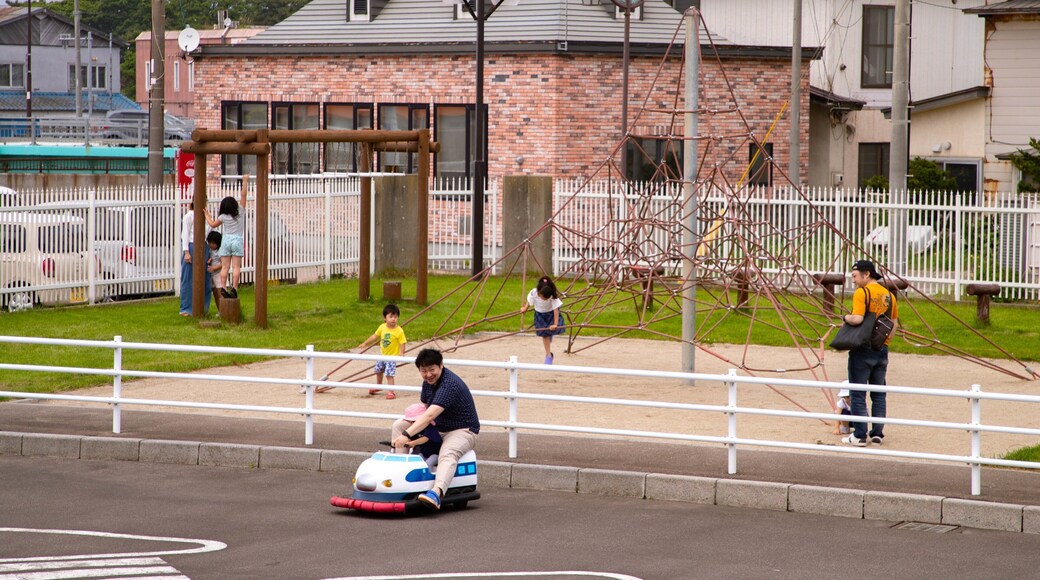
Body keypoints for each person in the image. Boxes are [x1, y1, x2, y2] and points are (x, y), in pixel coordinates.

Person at [391, 348, 480, 510]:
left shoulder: (449, 384)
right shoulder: (427, 384)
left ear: (441, 366)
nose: (428, 375)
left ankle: (437, 493)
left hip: (463, 429)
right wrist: (408, 430)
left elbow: (430, 415)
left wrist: (407, 435)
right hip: (437, 427)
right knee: (399, 424)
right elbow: (424, 410)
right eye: (423, 371)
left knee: (448, 453)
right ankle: (401, 472)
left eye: (432, 370)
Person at [841, 260, 898, 447]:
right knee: (879, 393)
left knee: (857, 392)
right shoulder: (889, 296)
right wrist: (885, 341)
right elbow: (894, 324)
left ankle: (859, 435)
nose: (854, 281)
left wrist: (844, 317)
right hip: (881, 349)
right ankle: (877, 434)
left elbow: (857, 319)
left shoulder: (862, 293)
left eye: (855, 276)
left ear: (866, 274)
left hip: (862, 348)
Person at [355, 303, 407, 400]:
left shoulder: (399, 330)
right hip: (382, 355)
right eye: (391, 317)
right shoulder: (382, 327)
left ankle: (391, 391)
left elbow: (402, 342)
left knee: (389, 374)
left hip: (392, 357)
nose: (393, 319)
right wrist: (365, 343)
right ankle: (379, 386)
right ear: (385, 318)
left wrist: (402, 353)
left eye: (396, 317)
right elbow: (375, 336)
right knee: (378, 370)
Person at [204, 196, 245, 299]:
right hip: (237, 240)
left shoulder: (222, 216)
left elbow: (213, 224)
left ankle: (223, 288)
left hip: (225, 241)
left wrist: (207, 215)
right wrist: (245, 181)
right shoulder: (240, 212)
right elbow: (244, 195)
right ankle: (234, 288)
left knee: (225, 267)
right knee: (236, 267)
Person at [520, 276, 566, 364]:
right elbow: (530, 301)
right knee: (545, 335)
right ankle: (549, 355)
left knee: (553, 330)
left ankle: (550, 335)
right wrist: (525, 308)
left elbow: (556, 311)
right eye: (543, 298)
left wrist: (555, 324)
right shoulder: (534, 292)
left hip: (551, 315)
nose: (544, 300)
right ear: (539, 292)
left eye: (546, 298)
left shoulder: (553, 296)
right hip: (540, 315)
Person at [179, 201, 212, 316]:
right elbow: (185, 234)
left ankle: (203, 308)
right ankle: (186, 308)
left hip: (204, 246)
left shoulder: (206, 216)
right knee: (188, 278)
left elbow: (209, 233)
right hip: (192, 245)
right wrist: (186, 251)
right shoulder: (189, 216)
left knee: (206, 277)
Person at [398, 403, 442, 468]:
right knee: (416, 461)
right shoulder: (417, 430)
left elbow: (425, 438)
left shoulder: (431, 427)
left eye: (413, 421)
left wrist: (413, 443)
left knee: (428, 464)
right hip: (423, 453)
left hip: (436, 454)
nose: (411, 423)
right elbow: (411, 438)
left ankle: (427, 477)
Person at [206, 231, 224, 310]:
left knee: (221, 293)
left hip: (218, 274)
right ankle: (219, 310)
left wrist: (214, 268)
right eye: (209, 243)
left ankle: (224, 310)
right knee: (215, 294)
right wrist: (209, 261)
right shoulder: (210, 250)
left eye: (213, 243)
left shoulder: (219, 251)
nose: (211, 245)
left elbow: (223, 264)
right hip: (212, 275)